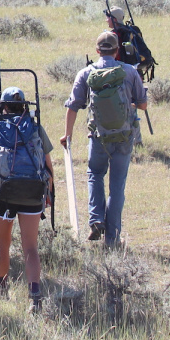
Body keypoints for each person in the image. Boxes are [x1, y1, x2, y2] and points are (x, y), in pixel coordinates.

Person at [60, 31, 147, 246]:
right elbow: (143, 104)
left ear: (98, 50)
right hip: (124, 137)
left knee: (95, 174)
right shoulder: (129, 71)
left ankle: (96, 219)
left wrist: (67, 134)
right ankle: (112, 237)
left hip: (98, 137)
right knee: (117, 186)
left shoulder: (86, 73)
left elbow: (72, 107)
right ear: (117, 51)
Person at [0, 87, 55, 311]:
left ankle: (2, 291)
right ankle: (34, 296)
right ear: (24, 106)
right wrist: (48, 194)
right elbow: (48, 167)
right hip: (32, 193)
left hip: (2, 194)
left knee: (2, 244)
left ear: (3, 106)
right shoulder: (35, 128)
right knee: (30, 247)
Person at [106, 6, 155, 81]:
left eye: (108, 18)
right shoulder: (130, 29)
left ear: (114, 19)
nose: (106, 20)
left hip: (123, 74)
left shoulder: (115, 34)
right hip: (136, 71)